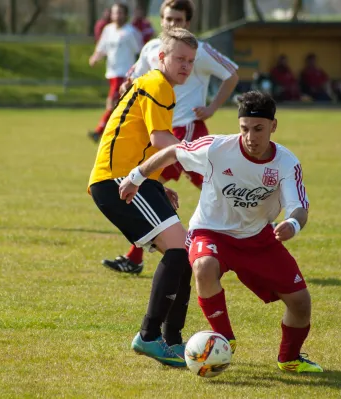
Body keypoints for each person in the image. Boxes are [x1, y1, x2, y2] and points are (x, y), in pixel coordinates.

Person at [118, 90, 323, 373]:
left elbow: (299, 207)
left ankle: (289, 358)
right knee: (203, 266)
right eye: (245, 129)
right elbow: (172, 152)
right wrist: (136, 177)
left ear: (273, 126)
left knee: (300, 302)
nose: (251, 137)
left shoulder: (286, 163)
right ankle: (224, 339)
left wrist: (293, 224)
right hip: (209, 232)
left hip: (257, 237)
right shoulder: (216, 148)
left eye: (259, 129)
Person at [101, 0, 239, 274]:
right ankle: (252, 223)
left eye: (179, 20)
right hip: (159, 132)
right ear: (160, 21)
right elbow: (133, 79)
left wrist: (211, 108)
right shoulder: (153, 49)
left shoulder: (199, 50)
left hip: (183, 130)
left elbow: (232, 73)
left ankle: (136, 257)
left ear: (188, 24)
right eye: (168, 19)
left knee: (145, 186)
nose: (173, 24)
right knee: (213, 185)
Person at [88, 28, 198, 367]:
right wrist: (202, 156)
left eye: (191, 61)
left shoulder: (155, 85)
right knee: (180, 251)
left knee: (185, 253)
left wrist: (154, 183)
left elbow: (143, 143)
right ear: (161, 57)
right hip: (117, 180)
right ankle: (150, 337)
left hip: (132, 177)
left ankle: (172, 340)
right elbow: (161, 138)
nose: (185, 66)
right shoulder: (158, 85)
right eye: (179, 58)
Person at [88, 3, 142, 142]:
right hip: (111, 73)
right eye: (114, 13)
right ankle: (120, 132)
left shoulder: (131, 32)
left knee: (111, 103)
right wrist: (95, 57)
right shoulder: (108, 30)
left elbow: (140, 52)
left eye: (120, 13)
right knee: (120, 106)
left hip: (124, 74)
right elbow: (102, 48)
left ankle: (99, 132)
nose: (117, 16)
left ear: (125, 15)